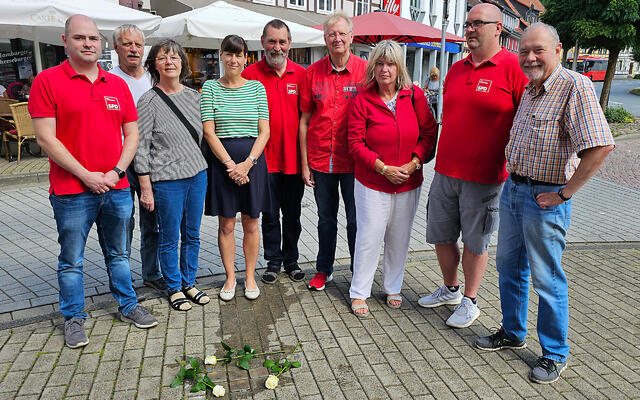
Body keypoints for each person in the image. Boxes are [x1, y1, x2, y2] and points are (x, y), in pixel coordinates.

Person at [475, 22, 615, 384]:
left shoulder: (574, 86)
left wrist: (565, 193)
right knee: (509, 267)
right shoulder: (532, 89)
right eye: (525, 51)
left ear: (558, 50)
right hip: (515, 191)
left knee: (547, 279)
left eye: (538, 49)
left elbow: (600, 146)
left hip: (546, 198)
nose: (531, 57)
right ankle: (513, 332)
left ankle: (555, 353)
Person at [28, 14, 157, 349]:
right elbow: (46, 139)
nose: (88, 44)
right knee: (72, 260)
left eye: (93, 39)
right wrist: (86, 175)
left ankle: (128, 304)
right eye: (80, 38)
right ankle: (73, 317)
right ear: (65, 41)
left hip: (116, 188)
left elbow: (132, 134)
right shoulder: (47, 81)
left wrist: (115, 173)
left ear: (101, 44)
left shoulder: (116, 85)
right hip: (72, 191)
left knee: (119, 254)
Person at [418, 2, 529, 328]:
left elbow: (527, 120)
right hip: (445, 170)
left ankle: (470, 300)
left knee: (476, 241)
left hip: (485, 176)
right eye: (467, 23)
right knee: (440, 234)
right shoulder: (456, 68)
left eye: (477, 23)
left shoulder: (513, 67)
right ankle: (450, 289)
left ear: (498, 28)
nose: (469, 29)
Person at [348, 40, 437, 316]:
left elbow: (429, 134)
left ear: (400, 68)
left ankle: (392, 286)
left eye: (390, 64)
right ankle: (359, 291)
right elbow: (354, 143)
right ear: (372, 67)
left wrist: (413, 164)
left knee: (399, 237)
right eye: (380, 63)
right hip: (373, 182)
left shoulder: (415, 96)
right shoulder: (362, 99)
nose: (385, 69)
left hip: (409, 182)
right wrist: (383, 168)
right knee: (369, 237)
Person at [134, 39, 209, 312]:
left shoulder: (194, 97)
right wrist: (145, 187)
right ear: (154, 64)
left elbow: (205, 136)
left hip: (198, 175)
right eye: (163, 57)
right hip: (166, 181)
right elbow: (140, 147)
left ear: (182, 64)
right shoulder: (148, 101)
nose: (170, 62)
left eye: (175, 57)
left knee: (192, 234)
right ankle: (174, 287)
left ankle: (189, 282)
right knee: (169, 237)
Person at [299, 11, 367, 291]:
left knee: (355, 221)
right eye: (331, 34)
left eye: (341, 33)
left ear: (351, 36)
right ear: (325, 39)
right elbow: (304, 121)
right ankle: (323, 269)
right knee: (326, 220)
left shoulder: (366, 71)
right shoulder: (311, 74)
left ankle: (357, 272)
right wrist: (304, 165)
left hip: (355, 163)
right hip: (320, 161)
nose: (336, 38)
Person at [201, 35, 270, 301]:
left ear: (245, 58)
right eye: (229, 54)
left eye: (239, 54)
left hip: (252, 163)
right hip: (222, 165)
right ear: (221, 55)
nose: (234, 59)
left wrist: (247, 164)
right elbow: (209, 132)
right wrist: (231, 165)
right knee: (227, 224)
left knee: (252, 223)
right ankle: (230, 277)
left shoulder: (257, 89)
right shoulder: (210, 88)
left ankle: (250, 276)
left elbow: (264, 131)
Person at [242, 20, 307, 285]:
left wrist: (307, 161)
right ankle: (273, 261)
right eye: (272, 41)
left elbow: (308, 119)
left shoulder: (302, 75)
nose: (276, 47)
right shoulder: (249, 74)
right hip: (262, 160)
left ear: (289, 44)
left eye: (282, 42)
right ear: (262, 42)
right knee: (268, 214)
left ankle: (292, 259)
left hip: (293, 160)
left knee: (292, 214)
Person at [109, 24, 165, 293]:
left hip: (153, 161)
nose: (133, 49)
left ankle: (151, 273)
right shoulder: (109, 79)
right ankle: (121, 279)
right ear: (116, 47)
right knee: (122, 222)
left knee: (152, 222)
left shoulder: (154, 79)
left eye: (138, 45)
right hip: (118, 162)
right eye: (127, 44)